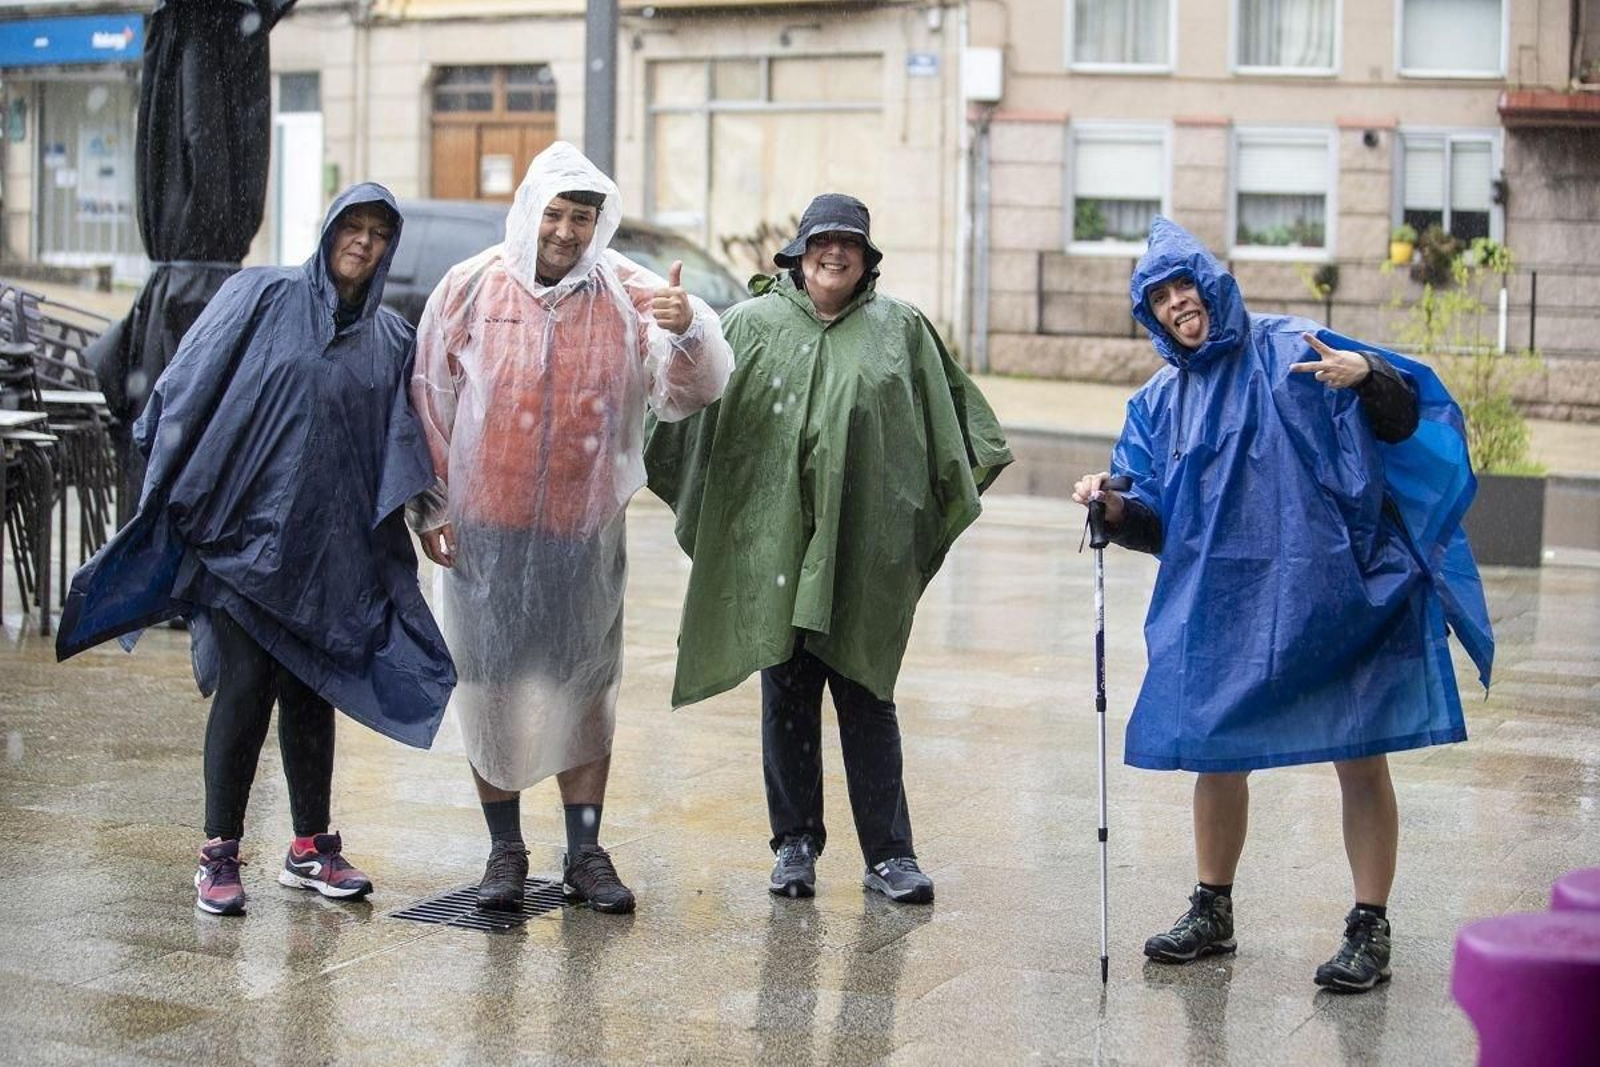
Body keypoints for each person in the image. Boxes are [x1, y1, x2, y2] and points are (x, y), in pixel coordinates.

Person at [1073, 217, 1493, 992]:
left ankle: (1370, 924)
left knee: (1358, 749)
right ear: (1150, 314)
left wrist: (1369, 377)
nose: (1176, 305)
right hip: (1225, 603)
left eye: (1183, 287)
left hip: (1333, 592)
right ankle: (1213, 907)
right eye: (1159, 298)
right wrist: (1110, 507)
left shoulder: (1296, 349)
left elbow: (1403, 417)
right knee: (1213, 747)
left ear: (1211, 283)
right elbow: (1151, 515)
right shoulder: (1160, 403)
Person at [56, 185, 457, 917]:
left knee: (313, 690)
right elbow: (188, 383)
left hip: (329, 554)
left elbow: (409, 434)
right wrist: (167, 467)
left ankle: (310, 847)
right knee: (247, 683)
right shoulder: (260, 297)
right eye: (353, 228)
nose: (363, 244)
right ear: (328, 228)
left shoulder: (391, 338)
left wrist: (432, 515)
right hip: (240, 536)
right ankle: (218, 852)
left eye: (377, 234)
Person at [645, 193, 1013, 905]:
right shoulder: (748, 326)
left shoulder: (899, 330)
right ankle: (794, 844)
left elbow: (955, 429)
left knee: (867, 690)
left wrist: (909, 522)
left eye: (849, 242)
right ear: (798, 251)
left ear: (867, 257)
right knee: (785, 691)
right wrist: (685, 331)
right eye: (822, 240)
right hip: (773, 541)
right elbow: (680, 402)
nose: (834, 253)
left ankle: (891, 853)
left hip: (861, 549)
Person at [409, 142, 732, 915]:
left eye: (581, 217)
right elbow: (430, 397)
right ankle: (504, 852)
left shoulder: (627, 292)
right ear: (530, 211)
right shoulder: (468, 287)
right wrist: (431, 506)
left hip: (583, 535)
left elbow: (691, 388)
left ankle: (585, 851)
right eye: (555, 213)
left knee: (584, 691)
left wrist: (687, 328)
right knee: (489, 687)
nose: (565, 230)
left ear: (599, 223)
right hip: (487, 532)